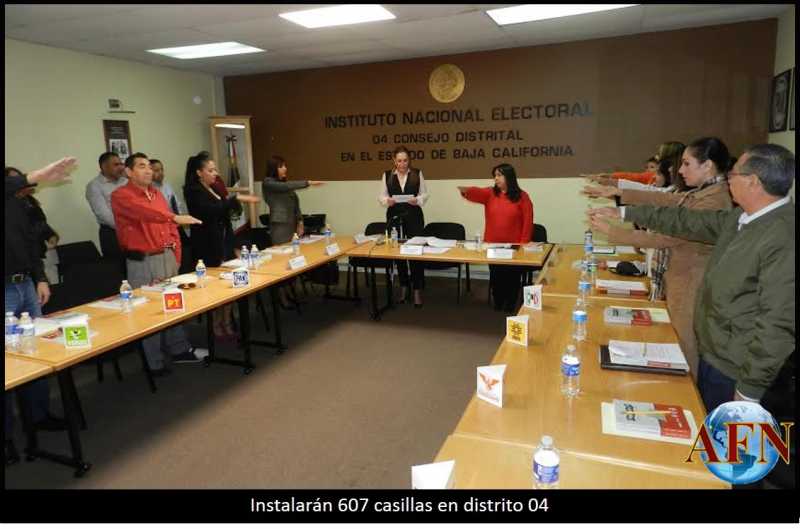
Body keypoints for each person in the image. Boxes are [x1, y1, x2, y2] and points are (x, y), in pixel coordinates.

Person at [589, 143, 794, 412]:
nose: (728, 179)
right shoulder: (742, 217)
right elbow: (685, 220)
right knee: (703, 421)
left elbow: (777, 324)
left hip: (739, 371)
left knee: (727, 437)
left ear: (753, 181)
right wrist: (624, 212)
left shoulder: (783, 236)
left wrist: (749, 391)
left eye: (733, 174)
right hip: (716, 353)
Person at [587, 137, 733, 378]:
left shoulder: (714, 200)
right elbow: (667, 199)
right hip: (680, 279)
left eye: (687, 164)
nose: (680, 170)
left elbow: (668, 237)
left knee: (684, 348)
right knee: (675, 343)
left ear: (707, 165)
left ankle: (687, 397)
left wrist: (614, 231)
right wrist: (621, 198)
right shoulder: (703, 193)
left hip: (690, 285)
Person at [5, 156, 77, 466]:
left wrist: (41, 278)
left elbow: (31, 244)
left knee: (39, 352)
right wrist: (34, 175)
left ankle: (39, 415)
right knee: (8, 364)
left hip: (26, 285)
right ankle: (7, 436)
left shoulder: (19, 206)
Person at [110, 152, 208, 376]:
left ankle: (179, 350)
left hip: (167, 256)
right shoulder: (121, 196)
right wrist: (174, 217)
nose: (148, 170)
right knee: (148, 311)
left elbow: (171, 227)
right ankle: (153, 362)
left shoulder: (157, 193)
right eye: (141, 166)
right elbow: (146, 213)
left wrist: (176, 254)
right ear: (129, 172)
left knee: (174, 304)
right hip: (144, 261)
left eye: (149, 166)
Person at [183, 151, 260, 339]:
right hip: (208, 246)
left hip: (224, 242)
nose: (215, 173)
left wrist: (233, 243)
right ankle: (216, 323)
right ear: (199, 172)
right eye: (210, 170)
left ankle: (226, 320)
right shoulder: (192, 191)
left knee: (230, 284)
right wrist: (235, 199)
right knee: (215, 288)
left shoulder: (215, 188)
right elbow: (209, 211)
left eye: (215, 169)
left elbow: (225, 217)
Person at [459, 163, 533, 313]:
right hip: (492, 245)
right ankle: (498, 301)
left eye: (499, 175)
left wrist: (523, 243)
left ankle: (510, 303)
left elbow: (528, 220)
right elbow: (476, 193)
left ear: (509, 177)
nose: (496, 178)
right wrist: (466, 190)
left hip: (513, 246)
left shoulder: (522, 196)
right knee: (496, 275)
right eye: (495, 176)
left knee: (512, 277)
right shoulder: (490, 193)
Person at [262, 155, 324, 308]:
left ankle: (291, 293)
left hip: (292, 225)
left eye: (285, 165)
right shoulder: (268, 183)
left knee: (293, 258)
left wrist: (300, 221)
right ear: (273, 168)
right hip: (280, 227)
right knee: (281, 261)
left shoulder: (285, 185)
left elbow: (296, 204)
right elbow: (286, 187)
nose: (285, 168)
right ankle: (282, 298)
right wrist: (308, 182)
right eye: (281, 166)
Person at [378, 146, 430, 307]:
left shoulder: (417, 173)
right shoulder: (387, 175)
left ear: (409, 160)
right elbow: (381, 196)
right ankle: (404, 287)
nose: (402, 164)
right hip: (395, 218)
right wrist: (387, 201)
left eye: (405, 160)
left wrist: (418, 200)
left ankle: (417, 290)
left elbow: (425, 194)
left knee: (415, 253)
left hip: (414, 217)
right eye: (399, 161)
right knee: (398, 253)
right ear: (394, 160)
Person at [85, 152, 128, 269]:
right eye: (116, 164)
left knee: (136, 268)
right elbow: (104, 215)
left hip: (132, 231)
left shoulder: (126, 182)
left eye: (121, 164)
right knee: (118, 270)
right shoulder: (94, 186)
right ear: (104, 167)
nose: (121, 167)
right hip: (112, 234)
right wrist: (127, 227)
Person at [151, 158, 193, 273]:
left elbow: (177, 204)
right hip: (164, 228)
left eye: (162, 169)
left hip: (177, 225)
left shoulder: (167, 186)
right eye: (156, 170)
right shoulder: (150, 191)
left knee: (186, 253)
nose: (161, 173)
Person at [582, 141, 686, 187]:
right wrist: (610, 176)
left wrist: (610, 181)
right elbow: (633, 176)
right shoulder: (654, 176)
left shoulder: (674, 185)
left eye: (659, 154)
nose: (656, 156)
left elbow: (648, 191)